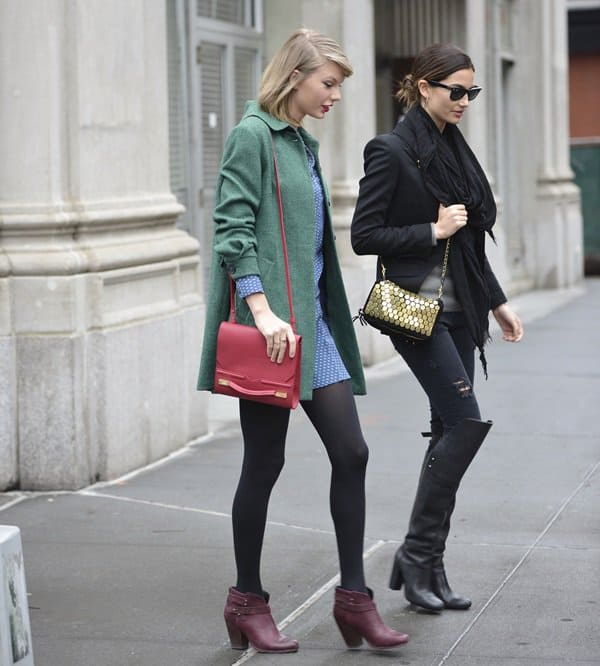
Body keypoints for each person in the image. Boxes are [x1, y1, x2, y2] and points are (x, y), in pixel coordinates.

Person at [197, 29, 409, 653]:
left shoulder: (302, 143)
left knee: (353, 452)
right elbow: (232, 226)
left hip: (311, 325)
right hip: (273, 329)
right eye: (329, 83)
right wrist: (260, 309)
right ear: (295, 77)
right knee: (265, 463)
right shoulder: (252, 136)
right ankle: (246, 599)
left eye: (339, 84)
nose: (337, 95)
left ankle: (353, 600)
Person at [351, 43, 523, 612]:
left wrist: (496, 302)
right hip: (416, 310)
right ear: (423, 86)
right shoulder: (392, 150)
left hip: (461, 310)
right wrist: (432, 229)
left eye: (472, 92)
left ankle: (428, 563)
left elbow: (470, 242)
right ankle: (418, 555)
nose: (464, 101)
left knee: (449, 431)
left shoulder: (453, 150)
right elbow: (364, 235)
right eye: (456, 91)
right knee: (465, 422)